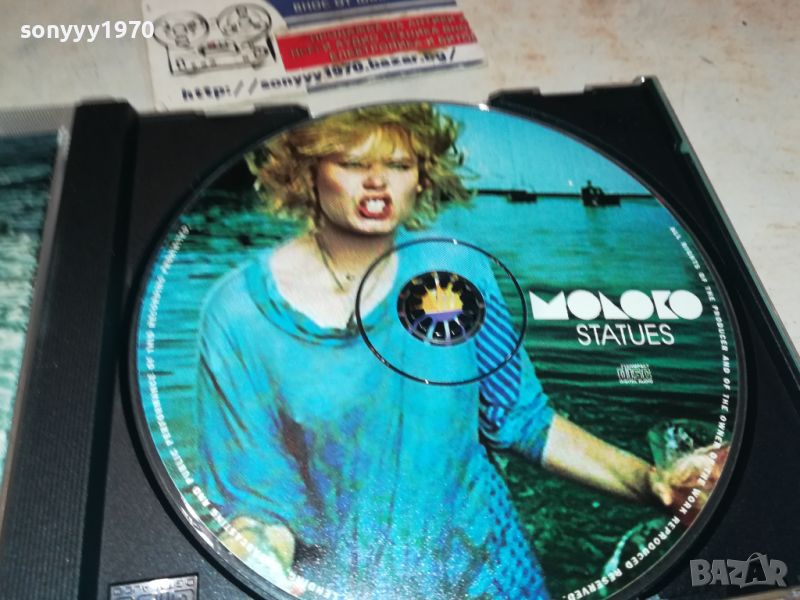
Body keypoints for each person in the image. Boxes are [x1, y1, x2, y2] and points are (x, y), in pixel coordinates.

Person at [195, 104, 698, 600]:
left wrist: (651, 481)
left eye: (399, 165)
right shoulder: (238, 313)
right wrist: (258, 557)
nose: (378, 182)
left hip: (495, 571)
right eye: (353, 163)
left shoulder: (455, 267)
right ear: (307, 172)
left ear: (421, 177)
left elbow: (522, 419)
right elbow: (259, 502)